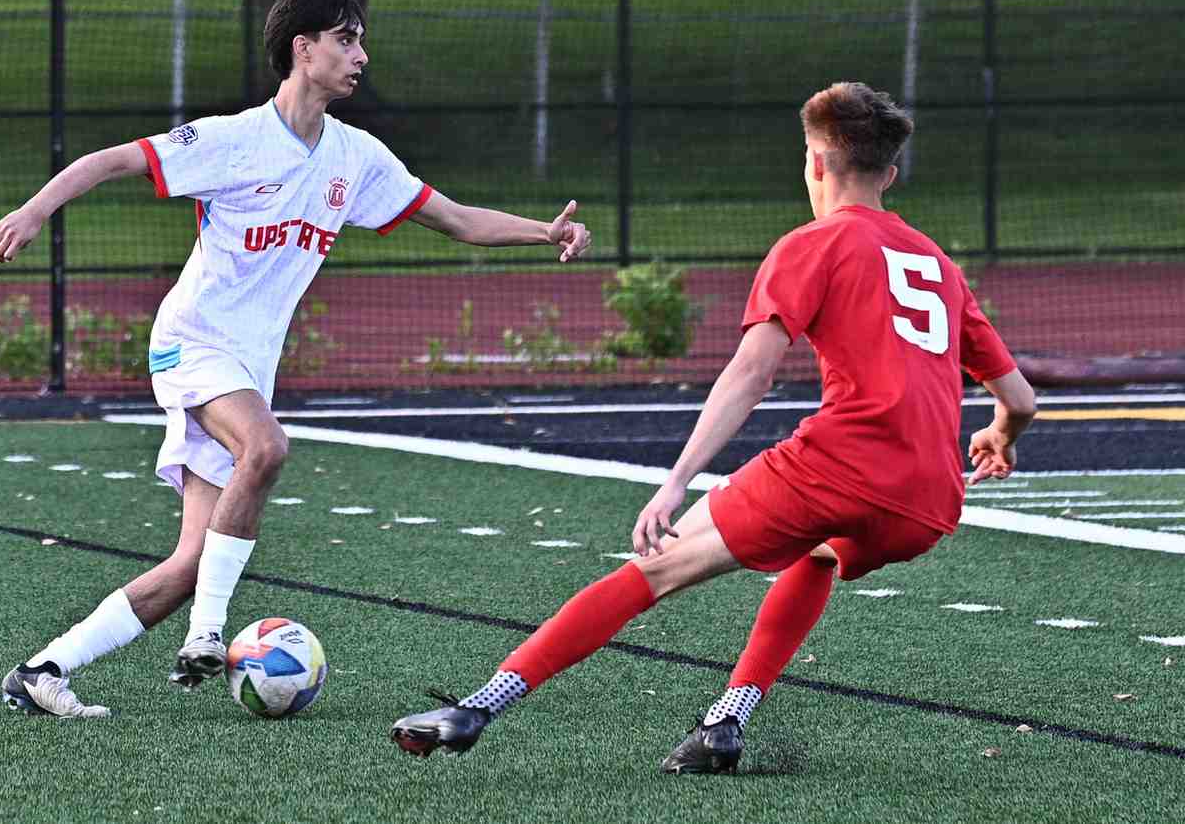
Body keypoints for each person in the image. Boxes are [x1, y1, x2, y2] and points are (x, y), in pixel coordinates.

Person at [390, 81, 1036, 773]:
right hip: (929, 503)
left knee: (656, 568)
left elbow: (751, 374)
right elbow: (1020, 398)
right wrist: (1000, 434)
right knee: (816, 553)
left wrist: (675, 483)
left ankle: (476, 708)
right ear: (891, 173)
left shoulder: (811, 244)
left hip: (842, 464)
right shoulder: (939, 266)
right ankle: (725, 724)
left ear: (815, 164)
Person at [0, 0, 591, 718]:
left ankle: (43, 669)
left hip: (247, 368)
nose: (361, 55)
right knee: (267, 450)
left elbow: (457, 219)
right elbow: (113, 160)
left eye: (362, 40)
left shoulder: (356, 157)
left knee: (188, 563)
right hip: (192, 344)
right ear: (302, 50)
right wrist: (34, 207)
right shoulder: (233, 140)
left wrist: (545, 231)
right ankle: (207, 636)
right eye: (346, 39)